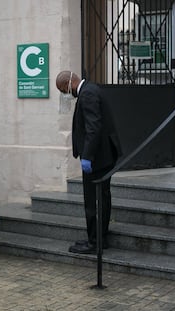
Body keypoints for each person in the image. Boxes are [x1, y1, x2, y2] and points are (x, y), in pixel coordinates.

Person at [56, 71, 122, 254]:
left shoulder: (87, 94)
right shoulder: (91, 89)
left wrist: (87, 156)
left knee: (93, 201)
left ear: (69, 83)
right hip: (103, 156)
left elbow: (94, 127)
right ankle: (100, 238)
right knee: (102, 198)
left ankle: (94, 242)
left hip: (97, 159)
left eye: (63, 90)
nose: (65, 94)